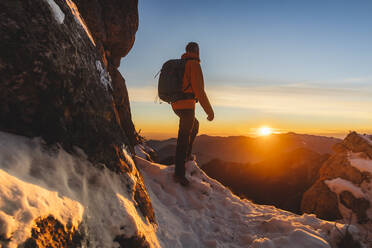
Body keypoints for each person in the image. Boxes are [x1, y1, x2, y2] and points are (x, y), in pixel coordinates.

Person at [172, 42, 214, 186]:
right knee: (183, 136)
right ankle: (179, 173)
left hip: (176, 104)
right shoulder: (194, 65)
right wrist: (209, 111)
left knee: (194, 125)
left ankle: (186, 156)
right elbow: (199, 91)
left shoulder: (181, 64)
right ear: (197, 52)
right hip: (186, 105)